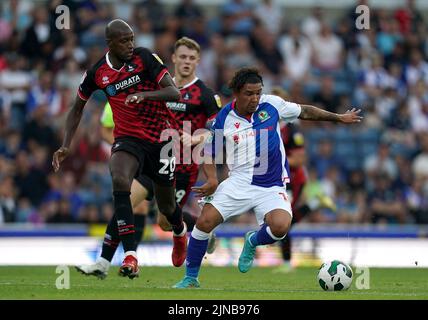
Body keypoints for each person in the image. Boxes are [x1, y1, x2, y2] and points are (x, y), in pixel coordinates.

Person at [173, 68, 362, 288]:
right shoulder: (224, 116)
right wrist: (213, 179)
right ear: (237, 92)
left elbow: (305, 111)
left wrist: (339, 118)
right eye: (249, 93)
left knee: (281, 227)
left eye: (258, 93)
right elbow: (210, 150)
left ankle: (252, 240)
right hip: (239, 181)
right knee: (205, 221)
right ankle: (190, 278)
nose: (255, 98)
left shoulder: (272, 104)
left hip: (271, 184)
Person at [75, 37, 220, 279]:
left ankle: (195, 227)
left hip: (181, 166)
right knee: (126, 199)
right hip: (151, 153)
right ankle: (103, 261)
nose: (186, 62)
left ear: (197, 61)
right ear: (173, 58)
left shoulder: (204, 94)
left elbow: (217, 130)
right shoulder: (157, 82)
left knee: (165, 220)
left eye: (191, 58)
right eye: (182, 56)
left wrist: (197, 143)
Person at [52, 19, 185, 280]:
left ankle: (180, 232)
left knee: (168, 207)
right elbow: (77, 108)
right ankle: (130, 255)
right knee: (120, 179)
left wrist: (145, 95)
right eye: (124, 41)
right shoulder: (97, 72)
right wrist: (66, 145)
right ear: (109, 43)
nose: (130, 45)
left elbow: (174, 92)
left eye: (131, 39)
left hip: (161, 141)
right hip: (128, 140)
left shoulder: (145, 58)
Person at [272, 86, 336, 273]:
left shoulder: (292, 129)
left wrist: (274, 160)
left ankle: (286, 262)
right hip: (277, 179)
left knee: (283, 219)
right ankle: (315, 203)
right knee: (280, 219)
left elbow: (299, 159)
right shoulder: (267, 126)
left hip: (293, 179)